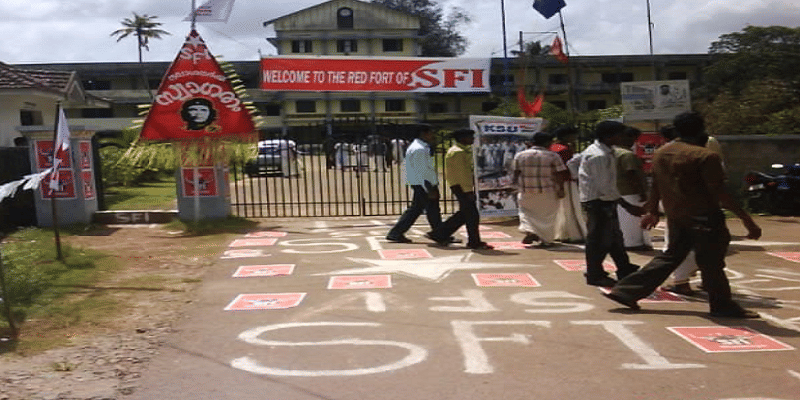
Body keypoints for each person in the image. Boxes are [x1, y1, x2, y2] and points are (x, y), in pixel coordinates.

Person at [603, 111, 762, 319]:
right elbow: (720, 192)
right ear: (702, 130)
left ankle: (626, 290)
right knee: (712, 262)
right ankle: (722, 305)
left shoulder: (661, 153)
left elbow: (656, 185)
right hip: (704, 215)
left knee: (671, 256)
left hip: (677, 214)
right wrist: (746, 219)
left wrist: (652, 210)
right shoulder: (705, 156)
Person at [570, 121, 642, 287]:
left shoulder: (603, 151)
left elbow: (572, 164)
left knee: (615, 238)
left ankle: (624, 267)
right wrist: (626, 205)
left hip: (602, 200)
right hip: (599, 202)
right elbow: (605, 188)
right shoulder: (599, 156)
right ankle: (594, 273)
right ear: (609, 136)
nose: (624, 138)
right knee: (599, 240)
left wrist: (583, 180)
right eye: (620, 134)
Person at [426, 129, 493, 250]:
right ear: (462, 138)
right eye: (470, 137)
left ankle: (439, 233)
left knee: (465, 214)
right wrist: (468, 190)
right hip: (462, 187)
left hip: (458, 185)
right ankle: (474, 242)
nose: (472, 139)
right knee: (472, 215)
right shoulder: (458, 152)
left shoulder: (459, 151)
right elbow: (462, 174)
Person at [386, 124, 444, 243]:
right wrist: (430, 188)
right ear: (423, 133)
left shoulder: (420, 147)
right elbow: (422, 170)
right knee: (421, 209)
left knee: (426, 209)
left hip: (420, 183)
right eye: (430, 132)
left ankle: (440, 233)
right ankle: (396, 233)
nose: (432, 135)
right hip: (423, 184)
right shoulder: (419, 149)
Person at [511, 131, 569, 248]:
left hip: (526, 190)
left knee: (526, 212)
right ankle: (546, 240)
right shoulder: (553, 156)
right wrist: (561, 189)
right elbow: (559, 174)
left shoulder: (520, 155)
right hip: (548, 190)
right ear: (548, 142)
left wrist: (514, 186)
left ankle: (530, 231)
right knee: (548, 215)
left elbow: (516, 173)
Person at [615, 126, 652, 250]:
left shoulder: (613, 152)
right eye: (633, 138)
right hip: (630, 191)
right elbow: (631, 174)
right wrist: (641, 191)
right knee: (632, 221)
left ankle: (627, 242)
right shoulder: (627, 155)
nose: (634, 141)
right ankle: (633, 243)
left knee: (624, 220)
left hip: (619, 190)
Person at [550, 126, 586, 243]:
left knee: (560, 209)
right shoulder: (564, 149)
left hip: (553, 181)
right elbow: (568, 166)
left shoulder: (553, 147)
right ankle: (574, 233)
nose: (575, 137)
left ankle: (560, 233)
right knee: (571, 208)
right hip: (567, 181)